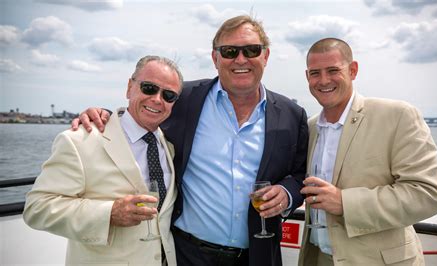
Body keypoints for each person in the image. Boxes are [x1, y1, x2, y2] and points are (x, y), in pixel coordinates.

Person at [71, 15, 308, 266]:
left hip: (257, 256)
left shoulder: (292, 115)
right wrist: (103, 115)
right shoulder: (183, 98)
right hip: (187, 254)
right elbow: (144, 111)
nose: (240, 59)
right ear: (215, 58)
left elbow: (299, 174)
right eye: (229, 51)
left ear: (266, 56)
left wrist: (287, 192)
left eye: (251, 50)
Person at [298, 38, 437, 265]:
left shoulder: (397, 115)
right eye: (315, 73)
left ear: (353, 70)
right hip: (318, 258)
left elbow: (429, 194)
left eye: (333, 70)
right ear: (307, 77)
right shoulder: (309, 127)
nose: (324, 80)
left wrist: (345, 202)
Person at [23, 55, 184, 266]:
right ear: (129, 87)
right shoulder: (79, 141)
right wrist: (109, 213)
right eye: (149, 88)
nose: (157, 99)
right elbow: (37, 208)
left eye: (169, 95)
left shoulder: (169, 145)